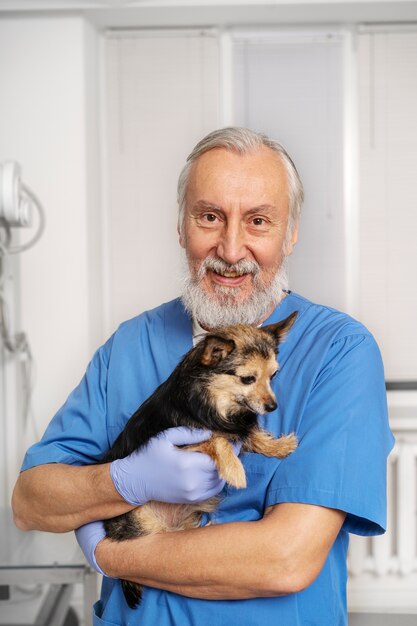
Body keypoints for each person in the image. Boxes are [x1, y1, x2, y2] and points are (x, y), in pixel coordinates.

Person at [12, 127, 394, 626]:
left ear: (292, 233)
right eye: (210, 217)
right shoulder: (130, 344)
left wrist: (111, 556)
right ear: (180, 226)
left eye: (258, 221)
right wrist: (122, 481)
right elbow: (31, 502)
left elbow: (285, 559)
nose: (231, 250)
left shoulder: (341, 351)